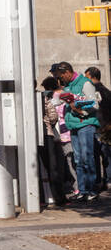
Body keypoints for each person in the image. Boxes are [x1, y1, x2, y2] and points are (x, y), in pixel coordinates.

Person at [53, 62, 100, 201]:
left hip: (85, 124)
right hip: (73, 126)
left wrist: (78, 106)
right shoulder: (68, 86)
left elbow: (94, 103)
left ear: (67, 72)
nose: (61, 79)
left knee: (87, 157)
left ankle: (92, 189)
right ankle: (83, 190)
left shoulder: (85, 83)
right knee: (78, 160)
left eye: (62, 76)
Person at [39, 76, 69, 206]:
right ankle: (58, 198)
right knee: (53, 167)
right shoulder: (42, 98)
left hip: (28, 137)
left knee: (38, 168)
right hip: (47, 134)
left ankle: (40, 198)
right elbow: (52, 116)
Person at [85, 68, 111, 190]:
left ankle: (98, 181)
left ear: (91, 77)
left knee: (96, 155)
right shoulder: (107, 91)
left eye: (87, 77)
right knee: (106, 156)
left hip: (98, 126)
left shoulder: (94, 91)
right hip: (106, 126)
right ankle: (108, 180)